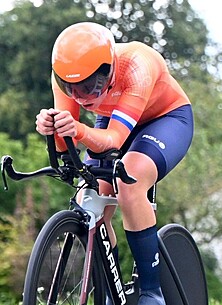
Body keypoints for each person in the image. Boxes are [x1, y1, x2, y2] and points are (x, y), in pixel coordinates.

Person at [35, 22, 194, 305]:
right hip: (111, 119)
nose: (80, 98)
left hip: (165, 120)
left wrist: (78, 130)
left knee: (129, 180)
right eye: (70, 88)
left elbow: (114, 140)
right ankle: (111, 290)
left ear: (109, 70)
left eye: (89, 87)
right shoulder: (66, 76)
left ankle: (152, 292)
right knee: (89, 198)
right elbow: (64, 147)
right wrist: (53, 129)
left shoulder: (136, 65)